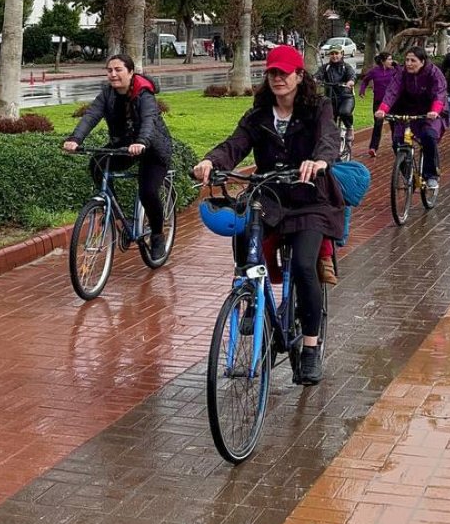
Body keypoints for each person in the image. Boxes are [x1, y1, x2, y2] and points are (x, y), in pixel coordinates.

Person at [192, 45, 345, 386]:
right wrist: (211, 162)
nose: (277, 78)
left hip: (310, 198)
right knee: (244, 226)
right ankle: (251, 296)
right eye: (272, 73)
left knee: (305, 266)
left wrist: (319, 161)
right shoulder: (259, 114)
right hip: (272, 196)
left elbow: (328, 139)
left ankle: (309, 347)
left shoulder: (317, 108)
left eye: (284, 73)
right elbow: (235, 144)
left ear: (299, 76)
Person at [63, 53, 173, 259]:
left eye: (118, 70)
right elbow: (91, 116)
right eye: (109, 70)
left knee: (147, 191)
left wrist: (141, 142)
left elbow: (148, 120)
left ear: (130, 72)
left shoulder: (144, 94)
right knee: (97, 164)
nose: (113, 74)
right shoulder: (107, 94)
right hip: (123, 145)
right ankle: (118, 215)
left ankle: (157, 235)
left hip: (153, 148)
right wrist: (75, 139)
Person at [375, 45, 450, 192]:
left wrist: (435, 111)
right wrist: (382, 109)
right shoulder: (402, 73)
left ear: (422, 61)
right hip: (408, 110)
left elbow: (439, 93)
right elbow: (392, 91)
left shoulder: (434, 73)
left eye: (413, 60)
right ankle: (406, 171)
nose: (408, 63)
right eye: (407, 60)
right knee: (397, 142)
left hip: (431, 112)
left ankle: (431, 176)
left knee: (428, 137)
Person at [359, 52, 395, 157]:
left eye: (391, 59)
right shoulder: (374, 71)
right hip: (378, 102)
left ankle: (396, 145)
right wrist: (362, 90)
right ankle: (373, 148)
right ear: (383, 61)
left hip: (391, 102)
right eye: (389, 59)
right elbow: (365, 80)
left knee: (394, 124)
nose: (391, 61)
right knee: (378, 125)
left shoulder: (393, 71)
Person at [317, 44, 356, 137]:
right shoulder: (326, 67)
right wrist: (315, 79)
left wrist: (351, 81)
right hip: (330, 97)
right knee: (327, 119)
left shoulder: (346, 67)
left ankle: (349, 127)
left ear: (341, 54)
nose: (334, 56)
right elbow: (318, 75)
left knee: (344, 112)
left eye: (336, 53)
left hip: (346, 97)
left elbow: (352, 75)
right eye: (332, 54)